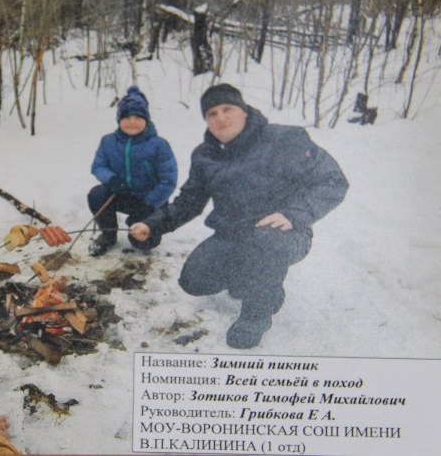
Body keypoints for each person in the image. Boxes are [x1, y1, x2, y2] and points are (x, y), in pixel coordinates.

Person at [130, 84, 349, 349]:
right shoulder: (205, 155)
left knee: (268, 242)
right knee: (194, 280)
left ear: (244, 112)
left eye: (228, 109)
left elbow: (333, 181)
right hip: (233, 234)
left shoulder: (284, 139)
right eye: (212, 113)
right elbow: (189, 201)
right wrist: (152, 225)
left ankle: (256, 315)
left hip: (282, 233)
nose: (221, 118)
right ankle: (256, 281)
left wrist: (294, 214)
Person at [88, 86, 178, 257]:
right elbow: (98, 166)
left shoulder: (158, 145)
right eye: (127, 117)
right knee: (97, 194)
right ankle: (108, 235)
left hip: (150, 201)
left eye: (138, 117)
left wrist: (150, 202)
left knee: (142, 242)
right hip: (122, 195)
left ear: (147, 119)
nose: (132, 122)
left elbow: (168, 180)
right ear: (119, 119)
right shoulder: (108, 141)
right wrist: (112, 179)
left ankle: (144, 227)